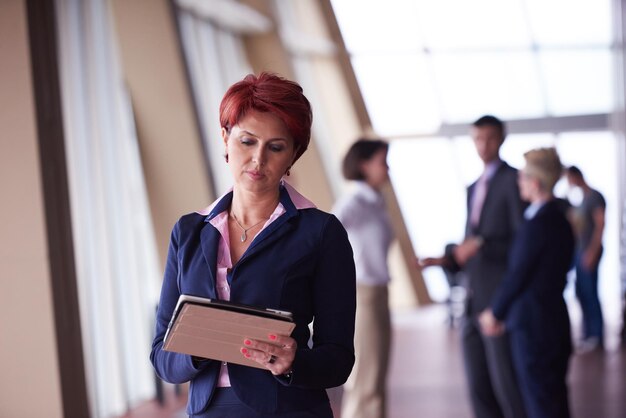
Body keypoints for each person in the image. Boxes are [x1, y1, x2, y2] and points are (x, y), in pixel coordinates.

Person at [150, 72, 356, 417]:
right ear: (225, 138)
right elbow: (161, 357)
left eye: (275, 147)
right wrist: (200, 345)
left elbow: (338, 359)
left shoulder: (321, 232)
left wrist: (293, 361)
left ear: (293, 155)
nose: (258, 159)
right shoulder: (188, 232)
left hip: (287, 409)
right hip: (207, 411)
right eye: (247, 142)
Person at [420, 115, 527, 418]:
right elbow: (472, 241)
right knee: (478, 386)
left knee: (507, 384)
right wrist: (444, 259)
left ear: (502, 139)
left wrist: (481, 245)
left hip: (498, 297)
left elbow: (522, 243)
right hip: (472, 296)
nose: (483, 145)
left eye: (490, 138)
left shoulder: (513, 180)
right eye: (478, 138)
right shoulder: (473, 187)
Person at [480, 147, 575, 418]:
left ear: (534, 183)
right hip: (554, 319)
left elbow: (518, 274)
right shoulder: (561, 220)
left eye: (521, 177)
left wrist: (494, 312)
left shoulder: (537, 224)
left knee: (540, 402)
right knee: (555, 399)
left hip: (533, 326)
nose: (518, 182)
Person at [333, 139, 394, 418]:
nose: (388, 168)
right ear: (363, 165)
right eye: (383, 162)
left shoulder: (376, 201)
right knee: (365, 378)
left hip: (380, 292)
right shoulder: (354, 203)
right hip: (364, 294)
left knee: (376, 376)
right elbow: (326, 240)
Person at [565, 165, 607, 353]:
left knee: (590, 293)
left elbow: (600, 226)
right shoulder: (581, 199)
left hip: (589, 251)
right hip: (579, 251)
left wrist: (592, 251)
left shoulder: (595, 197)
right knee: (581, 292)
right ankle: (589, 333)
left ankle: (597, 336)